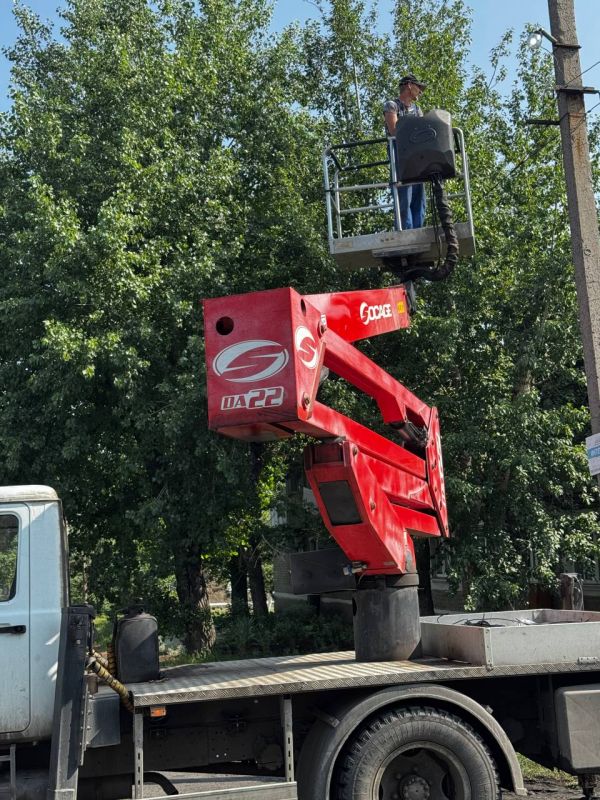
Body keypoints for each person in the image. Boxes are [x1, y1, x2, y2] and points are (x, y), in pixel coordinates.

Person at [384, 73, 427, 230]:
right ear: (409, 85)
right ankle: (406, 231)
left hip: (417, 154)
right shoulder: (392, 105)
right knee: (404, 193)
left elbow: (423, 131)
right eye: (419, 87)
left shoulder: (417, 109)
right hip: (400, 153)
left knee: (418, 195)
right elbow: (395, 131)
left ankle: (418, 229)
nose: (421, 91)